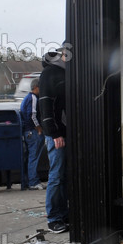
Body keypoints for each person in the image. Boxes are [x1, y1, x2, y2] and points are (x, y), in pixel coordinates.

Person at [39, 45, 69, 234]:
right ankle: (54, 218)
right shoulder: (50, 74)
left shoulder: (64, 73)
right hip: (57, 135)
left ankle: (63, 215)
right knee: (57, 176)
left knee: (63, 175)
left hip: (63, 132)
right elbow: (46, 105)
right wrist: (54, 133)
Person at [19, 78, 45, 190]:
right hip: (32, 131)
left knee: (30, 157)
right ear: (36, 87)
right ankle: (33, 181)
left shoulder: (27, 98)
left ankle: (29, 180)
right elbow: (32, 115)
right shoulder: (33, 98)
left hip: (28, 131)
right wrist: (39, 128)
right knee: (34, 157)